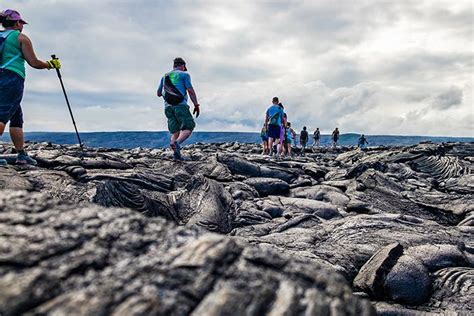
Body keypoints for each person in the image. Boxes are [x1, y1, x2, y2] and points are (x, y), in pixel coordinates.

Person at [0, 9, 61, 166]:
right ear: (17, 23)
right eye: (21, 23)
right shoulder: (21, 38)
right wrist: (50, 64)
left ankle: (21, 155)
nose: (22, 26)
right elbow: (34, 62)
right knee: (1, 116)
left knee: (16, 116)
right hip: (11, 78)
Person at [157, 57, 200, 160]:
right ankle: (177, 143)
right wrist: (196, 105)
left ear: (174, 66)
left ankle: (174, 146)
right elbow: (190, 90)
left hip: (168, 107)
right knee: (188, 127)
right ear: (183, 66)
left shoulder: (165, 76)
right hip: (180, 105)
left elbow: (158, 93)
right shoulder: (185, 75)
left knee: (175, 130)